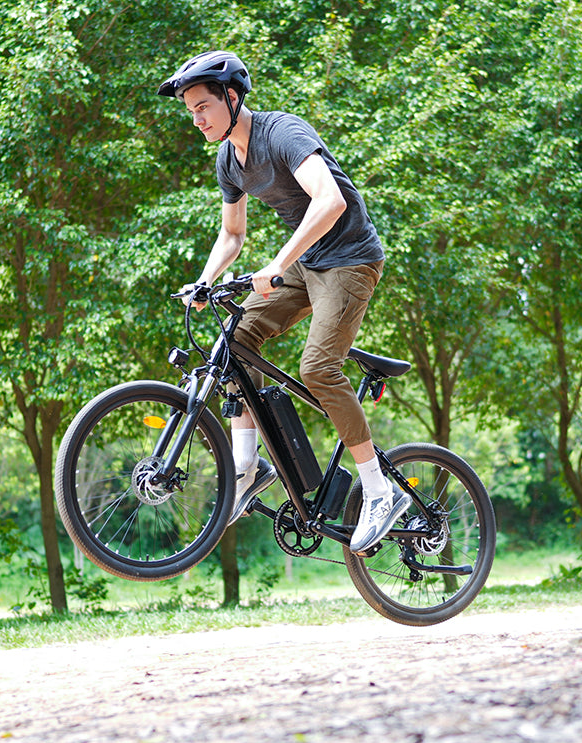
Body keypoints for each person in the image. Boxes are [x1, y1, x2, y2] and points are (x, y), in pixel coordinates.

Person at [157, 50, 410, 553]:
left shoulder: (282, 133)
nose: (197, 118)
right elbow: (232, 235)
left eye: (203, 106)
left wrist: (275, 264)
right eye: (191, 111)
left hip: (350, 257)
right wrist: (205, 281)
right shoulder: (229, 159)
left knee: (318, 368)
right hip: (307, 260)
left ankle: (381, 493)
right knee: (235, 342)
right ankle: (247, 469)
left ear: (232, 97)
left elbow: (330, 200)